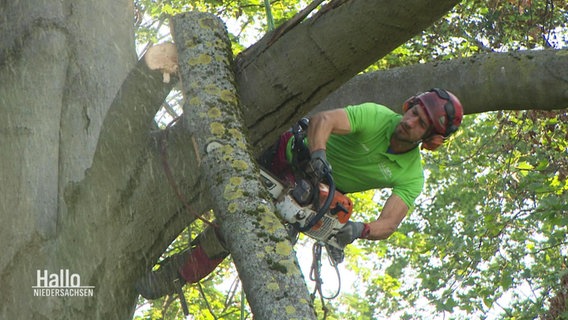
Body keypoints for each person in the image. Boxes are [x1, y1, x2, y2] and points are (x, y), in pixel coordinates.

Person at [136, 88, 464, 299]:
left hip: (310, 194)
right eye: (413, 112)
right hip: (287, 154)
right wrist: (319, 153)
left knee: (241, 234)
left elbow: (389, 223)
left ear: (431, 139)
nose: (409, 122)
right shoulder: (378, 116)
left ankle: (168, 278)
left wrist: (359, 230)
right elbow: (325, 119)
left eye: (420, 123)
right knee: (213, 171)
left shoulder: (411, 175)